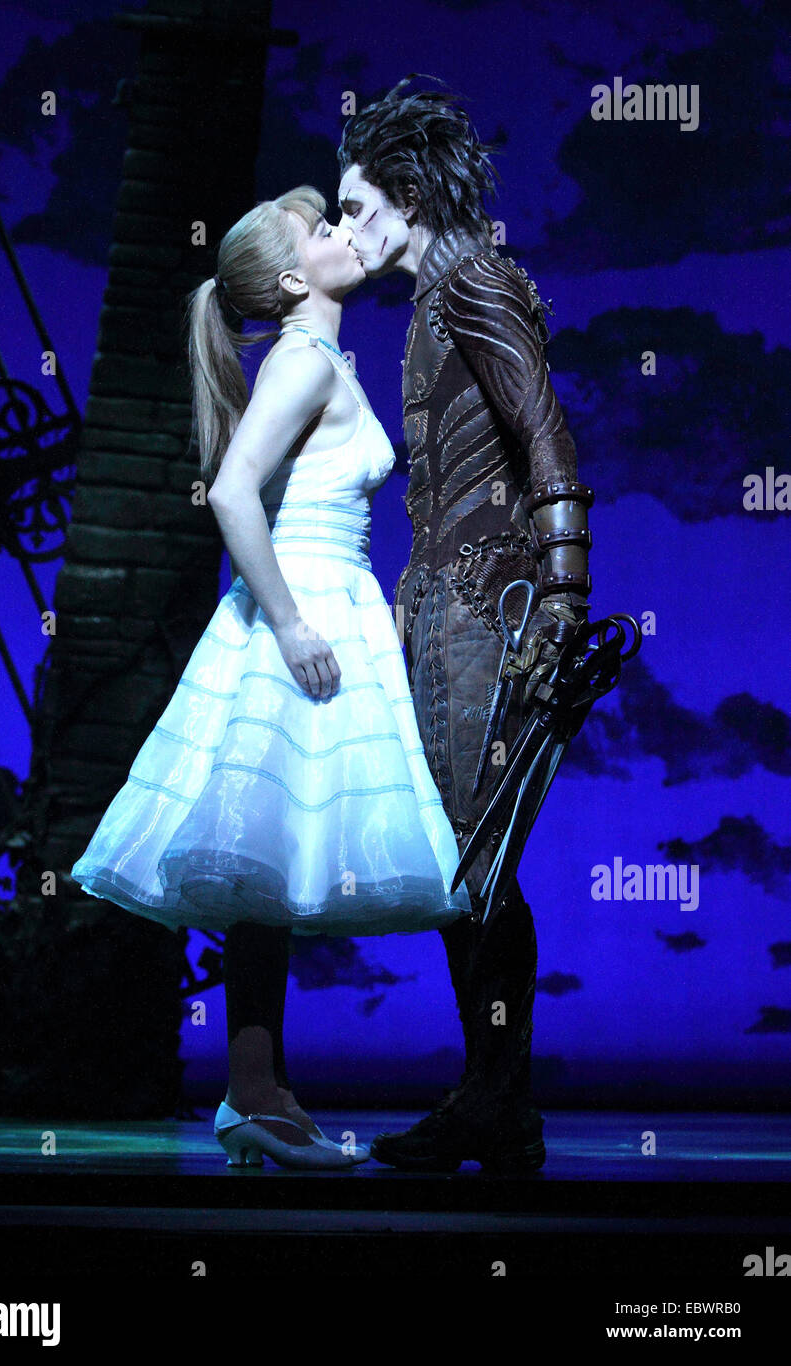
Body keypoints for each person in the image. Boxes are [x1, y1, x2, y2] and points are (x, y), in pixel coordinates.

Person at [70, 184, 473, 1170]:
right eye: (325, 229)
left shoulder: (323, 355)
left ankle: (260, 1093)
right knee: (266, 858)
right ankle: (255, 1093)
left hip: (336, 597)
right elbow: (235, 492)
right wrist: (290, 622)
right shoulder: (301, 360)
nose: (344, 233)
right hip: (306, 606)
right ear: (296, 278)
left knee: (274, 859)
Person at [337, 78, 594, 1172]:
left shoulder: (474, 281)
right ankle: (492, 1096)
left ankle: (500, 1098)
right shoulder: (434, 301)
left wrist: (567, 597)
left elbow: (546, 436)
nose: (348, 231)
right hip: (441, 609)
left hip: (490, 608)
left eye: (357, 208)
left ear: (404, 192)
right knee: (461, 865)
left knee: (476, 863)